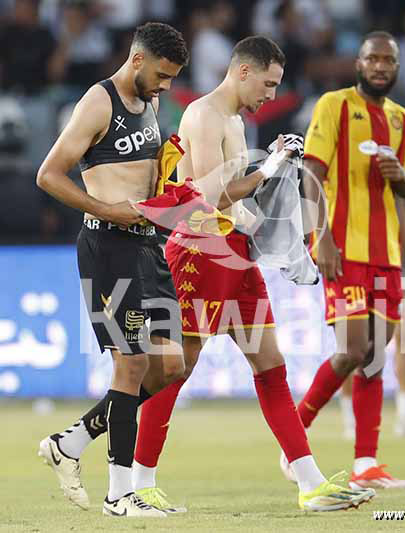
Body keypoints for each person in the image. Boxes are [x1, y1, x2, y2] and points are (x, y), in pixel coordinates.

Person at [131, 35, 375, 512]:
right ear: (244, 71)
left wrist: (270, 182)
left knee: (270, 366)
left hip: (235, 252)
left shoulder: (237, 123)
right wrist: (269, 169)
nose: (270, 93)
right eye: (269, 83)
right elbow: (207, 196)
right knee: (177, 368)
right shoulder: (203, 114)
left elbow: (235, 197)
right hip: (202, 249)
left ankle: (309, 483)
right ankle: (137, 485)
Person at [36, 22, 189, 518]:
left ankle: (72, 441)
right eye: (162, 75)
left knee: (171, 365)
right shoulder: (98, 102)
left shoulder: (150, 103)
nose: (166, 86)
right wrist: (107, 210)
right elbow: (49, 174)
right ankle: (120, 496)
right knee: (131, 364)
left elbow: (147, 177)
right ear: (138, 60)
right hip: (107, 247)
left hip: (150, 246)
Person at [283, 31, 405, 490]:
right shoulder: (334, 105)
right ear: (359, 64)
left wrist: (400, 176)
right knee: (352, 350)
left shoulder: (403, 120)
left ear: (396, 68)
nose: (381, 66)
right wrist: (319, 237)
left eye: (388, 60)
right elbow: (312, 173)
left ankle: (366, 464)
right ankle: (295, 435)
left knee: (375, 358)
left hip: (386, 254)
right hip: (341, 249)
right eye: (372, 58)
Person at [338, 197, 405, 439]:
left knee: (403, 336)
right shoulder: (349, 180)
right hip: (354, 260)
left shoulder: (386, 174)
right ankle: (351, 418)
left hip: (388, 260)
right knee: (351, 344)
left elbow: (401, 209)